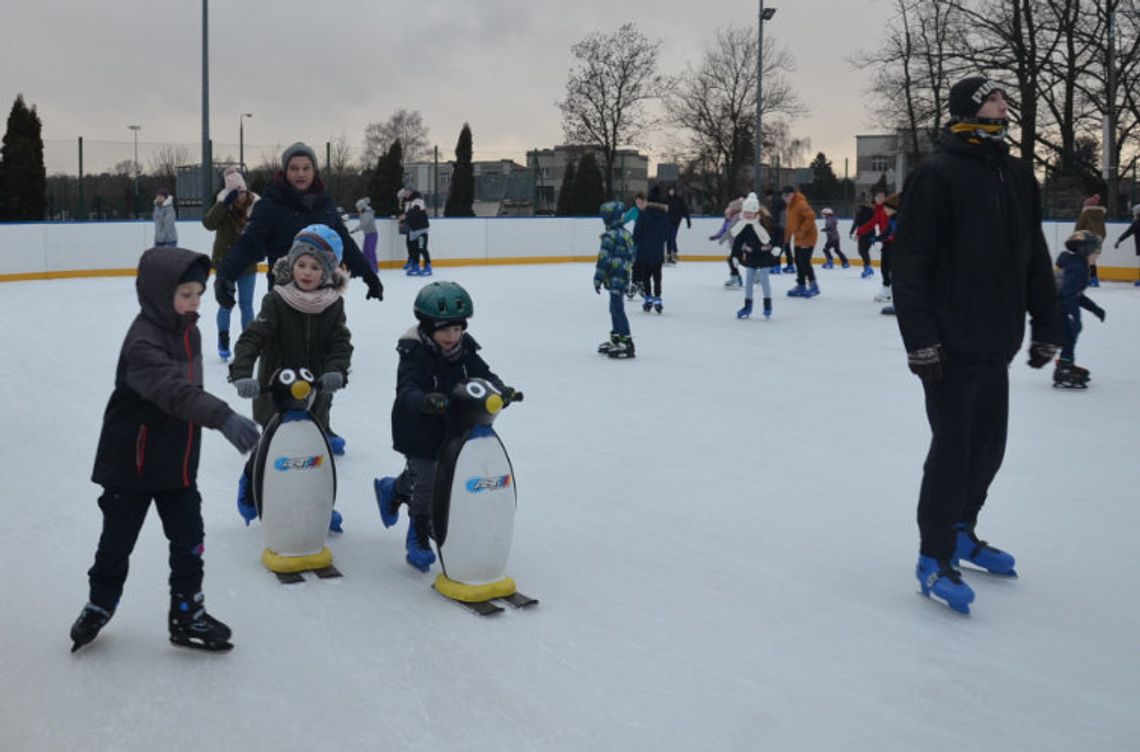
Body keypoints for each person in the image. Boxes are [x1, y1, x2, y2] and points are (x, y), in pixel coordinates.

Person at [892, 76, 1062, 614]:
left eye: (1004, 99)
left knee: (989, 447)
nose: (1003, 105)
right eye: (992, 98)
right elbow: (910, 263)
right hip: (948, 342)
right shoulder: (936, 175)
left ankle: (964, 531)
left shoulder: (1014, 173)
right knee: (953, 447)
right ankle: (933, 556)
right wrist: (920, 339)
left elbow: (1033, 252)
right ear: (969, 107)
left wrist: (1048, 322)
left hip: (997, 338)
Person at [70, 247, 261, 653]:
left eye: (198, 294)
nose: (194, 303)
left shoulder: (189, 332)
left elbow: (188, 393)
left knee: (190, 539)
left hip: (176, 462)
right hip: (131, 465)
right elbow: (174, 393)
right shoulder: (142, 342)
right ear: (160, 293)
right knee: (117, 542)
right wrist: (223, 417)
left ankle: (187, 612)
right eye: (185, 294)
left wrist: (207, 420)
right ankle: (100, 603)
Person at [372, 281, 518, 572]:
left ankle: (392, 489)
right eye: (444, 330)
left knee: (440, 476)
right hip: (419, 428)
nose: (453, 336)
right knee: (426, 480)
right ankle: (418, 531)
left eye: (457, 329)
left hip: (455, 425)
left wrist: (501, 390)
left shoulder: (465, 349)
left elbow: (483, 373)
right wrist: (425, 400)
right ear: (427, 327)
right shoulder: (415, 353)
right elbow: (407, 389)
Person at [229, 224, 354, 519]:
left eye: (314, 267)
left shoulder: (333, 305)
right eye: (301, 264)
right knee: (270, 445)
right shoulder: (276, 300)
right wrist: (242, 373)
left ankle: (322, 503)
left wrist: (336, 370)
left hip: (315, 393)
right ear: (291, 265)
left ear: (327, 272)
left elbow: (341, 344)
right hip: (275, 390)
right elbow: (252, 338)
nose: (306, 272)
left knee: (315, 451)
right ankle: (252, 481)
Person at [213, 142, 384, 308]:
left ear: (314, 171)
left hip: (323, 297)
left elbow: (344, 242)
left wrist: (368, 274)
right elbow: (248, 245)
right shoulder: (269, 205)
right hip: (284, 298)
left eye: (306, 168)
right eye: (294, 168)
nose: (300, 174)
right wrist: (225, 276)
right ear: (285, 171)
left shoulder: (325, 204)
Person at [203, 167, 259, 362]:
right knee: (225, 304)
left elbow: (264, 232)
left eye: (242, 192)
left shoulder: (255, 207)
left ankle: (248, 344)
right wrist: (224, 204)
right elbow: (208, 224)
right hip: (224, 264)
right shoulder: (223, 207)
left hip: (247, 264)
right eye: (235, 193)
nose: (239, 197)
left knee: (247, 305)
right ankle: (223, 340)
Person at [1053, 230, 1106, 388]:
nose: (1098, 254)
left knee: (1071, 333)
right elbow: (1068, 293)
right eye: (1095, 250)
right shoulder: (1078, 268)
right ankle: (1063, 369)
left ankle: (1066, 363)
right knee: (1071, 331)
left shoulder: (1077, 264)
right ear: (1085, 250)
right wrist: (1074, 316)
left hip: (1058, 303)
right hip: (1057, 305)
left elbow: (1075, 294)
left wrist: (1095, 309)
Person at [594, 200, 636, 358]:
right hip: (623, 276)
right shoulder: (627, 235)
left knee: (617, 309)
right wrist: (624, 267)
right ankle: (617, 338)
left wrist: (597, 279)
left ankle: (627, 342)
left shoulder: (609, 237)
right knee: (614, 308)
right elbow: (633, 255)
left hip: (614, 277)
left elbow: (603, 260)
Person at [730, 192, 778, 319]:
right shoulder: (744, 225)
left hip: (764, 255)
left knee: (763, 278)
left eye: (750, 213)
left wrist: (777, 247)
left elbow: (777, 235)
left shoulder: (766, 222)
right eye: (745, 212)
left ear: (756, 212)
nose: (748, 215)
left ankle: (767, 305)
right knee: (749, 280)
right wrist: (735, 256)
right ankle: (747, 306)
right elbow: (738, 241)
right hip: (751, 256)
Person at [633, 186, 670, 313]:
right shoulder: (664, 214)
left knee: (646, 276)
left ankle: (648, 299)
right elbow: (667, 233)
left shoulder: (643, 214)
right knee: (657, 275)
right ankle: (658, 299)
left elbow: (637, 232)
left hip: (644, 250)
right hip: (658, 250)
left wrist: (636, 241)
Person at [782, 185, 820, 298]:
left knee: (804, 261)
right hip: (798, 238)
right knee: (798, 261)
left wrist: (803, 230)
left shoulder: (801, 204)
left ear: (793, 194)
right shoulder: (790, 206)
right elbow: (790, 223)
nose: (786, 198)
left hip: (808, 237)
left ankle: (814, 286)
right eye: (784, 196)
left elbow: (811, 216)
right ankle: (801, 285)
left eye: (788, 195)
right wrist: (787, 236)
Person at [873, 193, 901, 304]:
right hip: (889, 245)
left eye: (886, 207)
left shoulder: (902, 219)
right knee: (884, 267)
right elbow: (887, 232)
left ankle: (897, 296)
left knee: (896, 270)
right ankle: (887, 290)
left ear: (893, 208)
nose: (884, 210)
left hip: (899, 248)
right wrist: (876, 238)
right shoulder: (892, 219)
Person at [711, 196, 745, 288]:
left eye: (731, 208)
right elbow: (724, 229)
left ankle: (737, 279)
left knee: (735, 260)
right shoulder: (730, 218)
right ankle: (738, 278)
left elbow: (729, 231)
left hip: (740, 244)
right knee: (734, 260)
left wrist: (722, 239)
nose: (728, 210)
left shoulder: (738, 217)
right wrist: (717, 236)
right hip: (735, 244)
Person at [1074, 193, 1106, 287]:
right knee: (1091, 259)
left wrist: (1076, 237)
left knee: (1083, 259)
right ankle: (1093, 279)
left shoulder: (1085, 214)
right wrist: (1101, 239)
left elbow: (1079, 227)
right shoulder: (1101, 216)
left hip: (1086, 238)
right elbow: (1104, 230)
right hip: (1098, 239)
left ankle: (1083, 278)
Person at [854, 191, 887, 278]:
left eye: (881, 197)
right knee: (864, 251)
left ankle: (867, 267)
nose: (879, 199)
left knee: (863, 250)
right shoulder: (875, 210)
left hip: (889, 237)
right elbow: (871, 223)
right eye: (877, 197)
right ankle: (868, 268)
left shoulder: (886, 209)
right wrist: (859, 232)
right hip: (883, 237)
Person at [401, 191, 432, 276]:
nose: (405, 194)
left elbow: (415, 210)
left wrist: (406, 216)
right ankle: (415, 266)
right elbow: (408, 215)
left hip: (422, 228)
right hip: (413, 229)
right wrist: (403, 219)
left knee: (422, 248)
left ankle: (428, 265)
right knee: (414, 249)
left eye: (407, 192)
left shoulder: (418, 200)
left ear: (411, 192)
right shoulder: (407, 202)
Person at [1113, 202, 1140, 286]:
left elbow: (1128, 233)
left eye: (1134, 212)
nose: (1133, 214)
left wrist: (1119, 240)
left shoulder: (1137, 223)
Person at [766, 188, 791, 273]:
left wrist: (772, 224)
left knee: (774, 246)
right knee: (780, 246)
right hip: (783, 226)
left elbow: (775, 215)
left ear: (769, 196)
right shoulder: (781, 201)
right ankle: (777, 265)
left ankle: (775, 266)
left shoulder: (775, 202)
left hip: (777, 227)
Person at [351, 197, 379, 273]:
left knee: (370, 251)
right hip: (367, 235)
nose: (357, 209)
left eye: (358, 208)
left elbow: (364, 225)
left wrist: (354, 230)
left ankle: (374, 267)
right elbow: (366, 200)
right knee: (365, 251)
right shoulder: (363, 213)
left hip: (372, 234)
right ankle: (366, 267)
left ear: (362, 207)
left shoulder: (367, 213)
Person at [665, 185, 691, 265]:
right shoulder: (666, 200)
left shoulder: (679, 200)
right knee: (668, 238)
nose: (671, 192)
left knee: (672, 238)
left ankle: (672, 255)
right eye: (669, 190)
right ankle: (670, 254)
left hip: (675, 222)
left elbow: (685, 209)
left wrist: (688, 220)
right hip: (667, 222)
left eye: (672, 190)